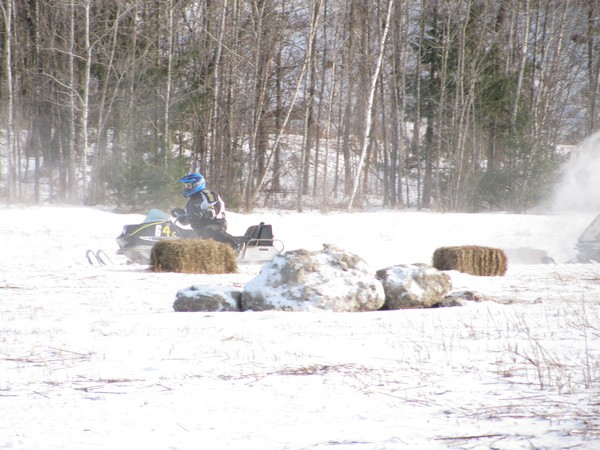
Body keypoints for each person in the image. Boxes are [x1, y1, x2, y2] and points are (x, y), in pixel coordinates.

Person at [172, 172, 239, 249]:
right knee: (187, 235)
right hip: (200, 229)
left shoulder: (207, 194)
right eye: (186, 186)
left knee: (209, 231)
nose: (186, 188)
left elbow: (216, 206)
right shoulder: (191, 202)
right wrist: (179, 214)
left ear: (196, 184)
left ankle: (235, 244)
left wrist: (207, 213)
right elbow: (187, 219)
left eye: (188, 186)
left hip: (216, 222)